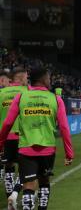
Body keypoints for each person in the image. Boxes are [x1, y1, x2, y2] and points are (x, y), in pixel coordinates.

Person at [0, 67, 74, 209]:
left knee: (28, 184)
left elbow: (8, 123)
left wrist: (0, 144)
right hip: (47, 149)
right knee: (44, 181)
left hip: (26, 149)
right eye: (48, 77)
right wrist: (69, 153)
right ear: (43, 79)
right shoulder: (56, 99)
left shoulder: (21, 97)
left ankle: (12, 194)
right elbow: (64, 128)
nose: (50, 80)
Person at [0, 67, 28, 209]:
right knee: (26, 168)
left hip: (5, 137)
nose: (27, 79)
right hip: (23, 137)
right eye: (26, 77)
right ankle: (15, 193)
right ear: (21, 77)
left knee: (8, 167)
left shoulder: (1, 93)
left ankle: (9, 197)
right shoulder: (27, 92)